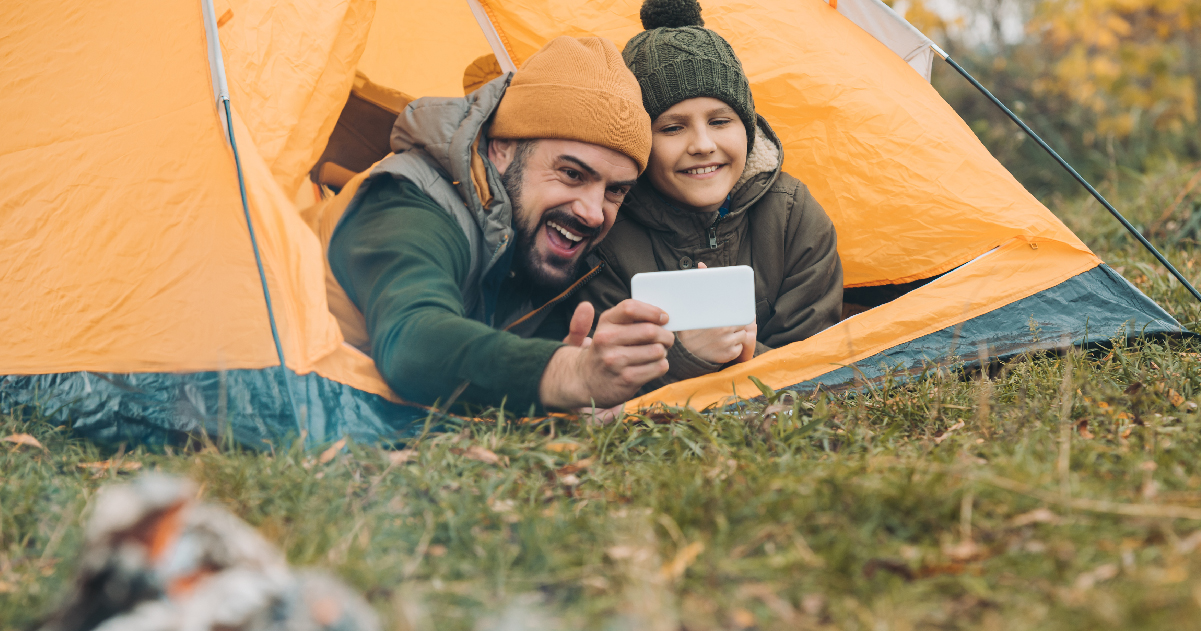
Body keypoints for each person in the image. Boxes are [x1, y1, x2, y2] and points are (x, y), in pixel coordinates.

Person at [318, 36, 677, 413]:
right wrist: (566, 374)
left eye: (615, 190)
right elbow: (411, 341)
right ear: (502, 148)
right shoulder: (408, 204)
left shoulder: (540, 240)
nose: (592, 212)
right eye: (572, 173)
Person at [573, 0, 844, 394]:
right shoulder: (607, 234)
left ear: (748, 128)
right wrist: (686, 353)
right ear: (639, 141)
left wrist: (737, 355)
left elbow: (815, 360)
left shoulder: (792, 214)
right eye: (671, 128)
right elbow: (601, 371)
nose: (702, 145)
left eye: (720, 122)